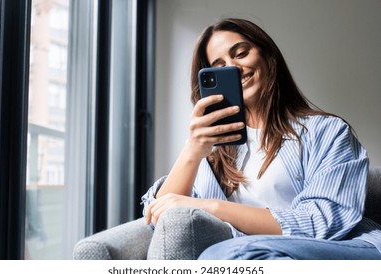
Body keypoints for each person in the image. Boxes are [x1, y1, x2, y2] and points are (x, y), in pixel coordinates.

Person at [142, 18, 381, 260]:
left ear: (268, 56)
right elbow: (159, 220)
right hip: (261, 259)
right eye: (220, 65)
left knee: (223, 254)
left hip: (344, 249)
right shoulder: (212, 151)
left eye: (241, 53)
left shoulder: (327, 131)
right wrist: (192, 151)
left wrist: (213, 208)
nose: (233, 68)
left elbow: (322, 221)